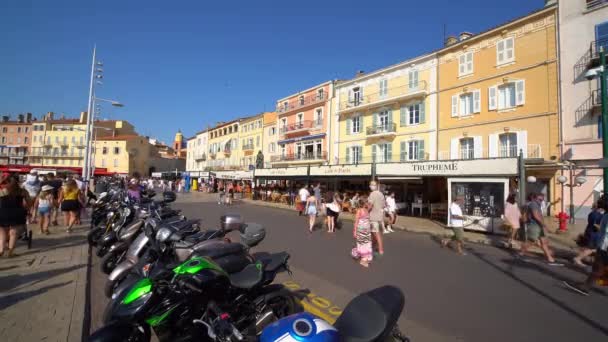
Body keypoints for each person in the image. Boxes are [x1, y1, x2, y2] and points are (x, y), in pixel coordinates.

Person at [563, 196, 608, 296]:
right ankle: (585, 286)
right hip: (602, 246)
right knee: (598, 269)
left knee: (597, 269)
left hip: (604, 247)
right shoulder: (604, 215)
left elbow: (606, 232)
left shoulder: (606, 216)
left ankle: (585, 287)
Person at [518, 192, 562, 266]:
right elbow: (536, 215)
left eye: (542, 199)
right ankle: (521, 253)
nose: (541, 201)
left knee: (544, 242)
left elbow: (539, 214)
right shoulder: (533, 204)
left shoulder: (537, 204)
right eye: (540, 199)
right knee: (530, 241)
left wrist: (543, 225)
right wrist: (544, 225)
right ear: (535, 198)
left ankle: (550, 258)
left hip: (539, 225)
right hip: (534, 225)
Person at [0, 175, 31, 257]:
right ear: (18, 182)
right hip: (17, 213)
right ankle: (10, 252)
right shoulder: (22, 191)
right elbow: (29, 202)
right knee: (14, 233)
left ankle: (1, 250)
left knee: (2, 233)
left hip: (2, 213)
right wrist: (27, 210)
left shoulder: (3, 191)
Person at [572, 200, 604, 267]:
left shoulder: (593, 214)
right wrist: (602, 228)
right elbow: (595, 225)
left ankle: (591, 260)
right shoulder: (596, 215)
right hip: (593, 234)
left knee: (593, 249)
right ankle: (577, 258)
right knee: (592, 249)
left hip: (591, 233)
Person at [352, 199, 373, 267]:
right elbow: (356, 222)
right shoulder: (359, 211)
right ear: (364, 203)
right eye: (367, 202)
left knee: (367, 243)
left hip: (367, 231)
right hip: (361, 231)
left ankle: (363, 255)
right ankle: (363, 260)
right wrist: (355, 231)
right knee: (363, 243)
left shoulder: (367, 210)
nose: (368, 203)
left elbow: (371, 205)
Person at [367, 181, 385, 256]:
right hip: (379, 216)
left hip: (373, 216)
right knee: (372, 233)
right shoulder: (381, 194)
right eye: (370, 184)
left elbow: (370, 205)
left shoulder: (372, 194)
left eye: (372, 185)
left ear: (376, 185)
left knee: (376, 233)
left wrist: (365, 211)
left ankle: (380, 250)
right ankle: (372, 247)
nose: (371, 186)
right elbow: (384, 205)